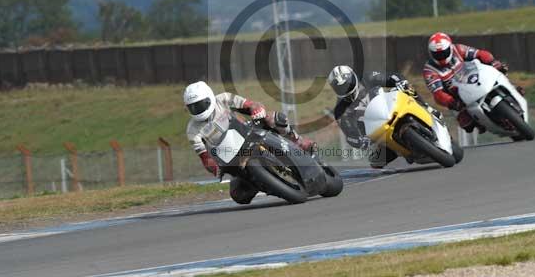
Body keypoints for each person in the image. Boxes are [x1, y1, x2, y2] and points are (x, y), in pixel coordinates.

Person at [183, 81, 314, 204]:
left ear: (209, 97)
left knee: (273, 118)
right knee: (238, 196)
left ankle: (298, 141)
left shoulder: (223, 99)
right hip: (232, 157)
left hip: (248, 132)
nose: (197, 109)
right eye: (193, 107)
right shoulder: (192, 130)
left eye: (200, 104)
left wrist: (256, 109)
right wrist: (213, 167)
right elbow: (204, 156)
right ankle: (267, 185)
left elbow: (251, 104)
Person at [328, 66, 433, 168]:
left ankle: (427, 108)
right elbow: (350, 135)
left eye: (348, 84)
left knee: (408, 89)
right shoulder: (340, 111)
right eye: (340, 88)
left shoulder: (367, 77)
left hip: (392, 106)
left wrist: (400, 82)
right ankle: (405, 151)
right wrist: (361, 141)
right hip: (377, 132)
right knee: (376, 160)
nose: (346, 89)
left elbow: (392, 76)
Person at [423, 32, 510, 133]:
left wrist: (492, 62)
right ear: (431, 53)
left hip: (475, 79)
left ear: (450, 48)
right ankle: (482, 123)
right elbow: (438, 94)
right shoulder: (429, 70)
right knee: (466, 124)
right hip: (459, 98)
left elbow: (480, 54)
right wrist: (452, 102)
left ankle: (511, 89)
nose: (441, 56)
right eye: (437, 55)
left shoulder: (458, 49)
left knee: (500, 71)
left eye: (444, 53)